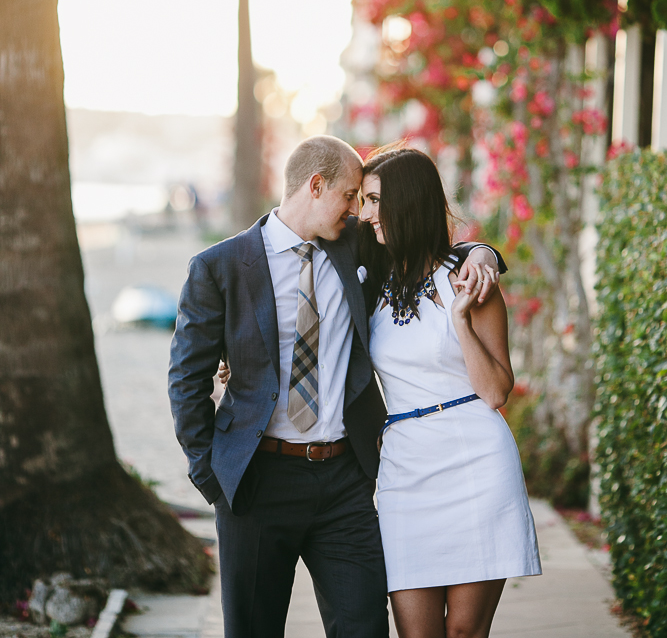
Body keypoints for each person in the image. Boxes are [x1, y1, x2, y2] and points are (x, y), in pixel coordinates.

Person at [169, 135, 500, 638]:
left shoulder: (356, 248)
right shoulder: (219, 267)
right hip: (256, 482)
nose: (358, 210)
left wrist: (484, 253)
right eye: (350, 195)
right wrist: (211, 477)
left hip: (344, 481)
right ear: (316, 185)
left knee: (365, 627)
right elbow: (186, 382)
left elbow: (428, 246)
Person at [358, 145, 541, 638]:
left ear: (407, 202)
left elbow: (497, 390)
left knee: (463, 633)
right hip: (404, 471)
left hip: (475, 463)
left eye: (374, 201)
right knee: (416, 634)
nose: (366, 213)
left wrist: (459, 318)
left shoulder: (469, 281)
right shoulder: (372, 276)